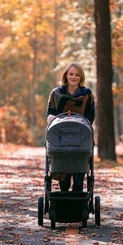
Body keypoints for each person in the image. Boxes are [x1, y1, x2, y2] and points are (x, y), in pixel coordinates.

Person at [46, 62, 95, 192]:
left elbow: (90, 114)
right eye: (71, 74)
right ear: (66, 76)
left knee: (78, 179)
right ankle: (64, 197)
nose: (74, 77)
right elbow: (50, 112)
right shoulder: (56, 93)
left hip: (80, 136)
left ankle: (78, 201)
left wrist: (86, 122)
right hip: (60, 136)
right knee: (64, 180)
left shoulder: (87, 94)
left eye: (77, 75)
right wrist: (51, 119)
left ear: (81, 77)